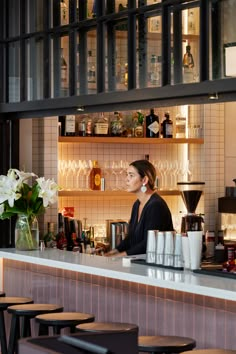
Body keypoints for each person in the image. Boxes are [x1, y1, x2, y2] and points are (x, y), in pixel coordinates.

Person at [105, 159, 174, 257]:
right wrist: (113, 252)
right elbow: (131, 238)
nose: (126, 179)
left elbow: (149, 243)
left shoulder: (156, 206)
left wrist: (120, 256)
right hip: (141, 263)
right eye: (127, 175)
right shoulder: (137, 204)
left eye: (131, 175)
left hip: (155, 265)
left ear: (144, 180)